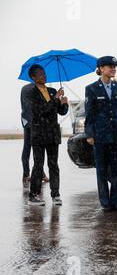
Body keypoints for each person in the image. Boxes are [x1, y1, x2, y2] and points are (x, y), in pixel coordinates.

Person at [85, 56, 117, 212]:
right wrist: (90, 134)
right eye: (110, 66)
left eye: (114, 66)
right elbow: (90, 114)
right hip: (100, 135)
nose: (113, 69)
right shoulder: (91, 89)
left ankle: (116, 201)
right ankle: (105, 202)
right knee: (102, 170)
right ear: (101, 69)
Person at [27, 64, 69, 205]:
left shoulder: (51, 91)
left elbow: (60, 112)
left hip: (52, 134)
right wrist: (56, 98)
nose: (44, 76)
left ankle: (55, 195)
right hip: (39, 134)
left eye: (44, 73)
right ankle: (33, 195)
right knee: (38, 165)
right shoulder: (31, 93)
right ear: (33, 77)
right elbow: (41, 111)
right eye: (40, 74)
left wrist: (64, 104)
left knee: (53, 165)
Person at [20, 83, 49, 188]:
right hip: (36, 121)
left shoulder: (24, 88)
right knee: (37, 149)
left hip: (26, 120)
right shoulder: (39, 88)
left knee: (27, 147)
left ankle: (26, 173)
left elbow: (25, 105)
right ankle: (40, 174)